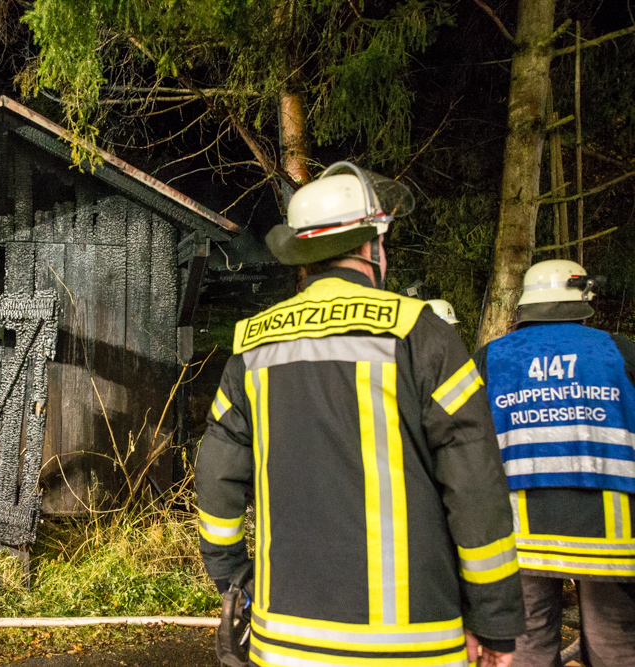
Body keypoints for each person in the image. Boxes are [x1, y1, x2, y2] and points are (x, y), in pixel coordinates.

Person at [196, 162, 524, 667]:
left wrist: (232, 577)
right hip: (412, 644)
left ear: (302, 256)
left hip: (285, 642)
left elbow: (217, 477)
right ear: (372, 248)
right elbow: (475, 487)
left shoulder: (252, 346)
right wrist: (494, 621)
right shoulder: (421, 334)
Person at [473, 259, 635, 667]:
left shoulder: (491, 358)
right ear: (582, 301)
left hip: (521, 534)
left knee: (527, 644)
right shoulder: (618, 351)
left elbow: (466, 442)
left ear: (525, 307)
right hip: (612, 533)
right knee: (614, 640)